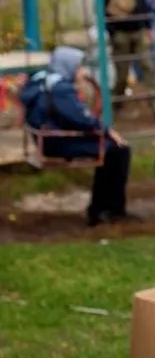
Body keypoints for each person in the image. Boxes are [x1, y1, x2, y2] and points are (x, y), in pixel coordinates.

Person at [18, 46, 132, 227]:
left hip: (47, 138)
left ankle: (102, 208)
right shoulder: (60, 89)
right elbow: (80, 118)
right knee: (118, 150)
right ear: (68, 66)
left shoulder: (41, 80)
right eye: (79, 67)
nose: (82, 72)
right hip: (57, 142)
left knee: (112, 149)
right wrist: (105, 130)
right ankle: (109, 209)